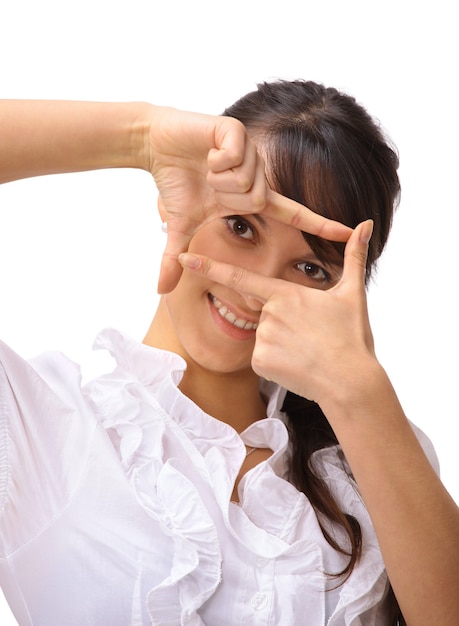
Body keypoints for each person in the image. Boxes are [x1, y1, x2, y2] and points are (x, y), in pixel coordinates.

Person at [0, 80, 458, 626]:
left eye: (310, 268)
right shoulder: (42, 425)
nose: (256, 286)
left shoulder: (367, 451)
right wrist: (140, 138)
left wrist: (359, 391)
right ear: (179, 204)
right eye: (242, 227)